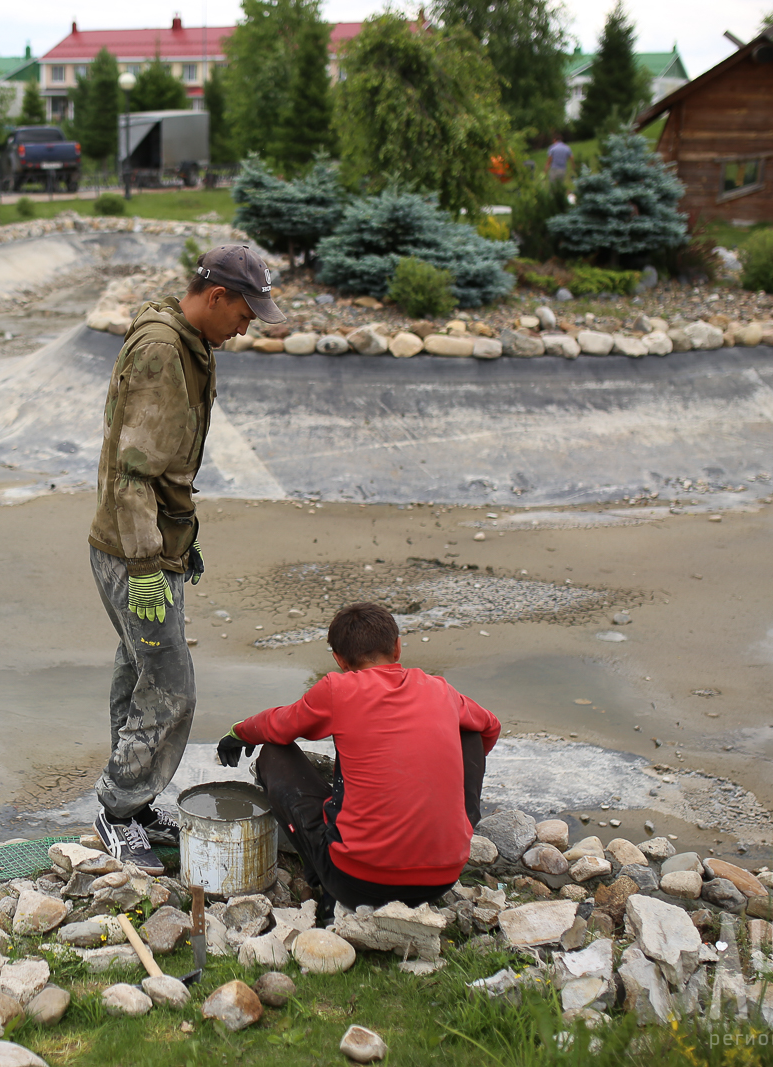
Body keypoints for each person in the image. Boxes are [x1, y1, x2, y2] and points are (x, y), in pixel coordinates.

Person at [88, 245, 286, 874]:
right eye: (246, 311)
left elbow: (161, 470)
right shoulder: (161, 352)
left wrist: (180, 534)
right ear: (217, 295)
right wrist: (147, 564)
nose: (249, 324)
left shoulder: (185, 340)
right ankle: (119, 814)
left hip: (147, 539)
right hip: (132, 549)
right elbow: (132, 471)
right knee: (172, 687)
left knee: (139, 671)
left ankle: (136, 804)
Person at [216, 602, 500, 913]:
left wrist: (239, 732)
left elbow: (278, 726)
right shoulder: (439, 689)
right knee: (470, 729)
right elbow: (490, 726)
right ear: (397, 648)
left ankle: (323, 885)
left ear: (338, 660)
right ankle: (455, 829)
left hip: (357, 883)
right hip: (441, 877)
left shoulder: (337, 689)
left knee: (273, 753)